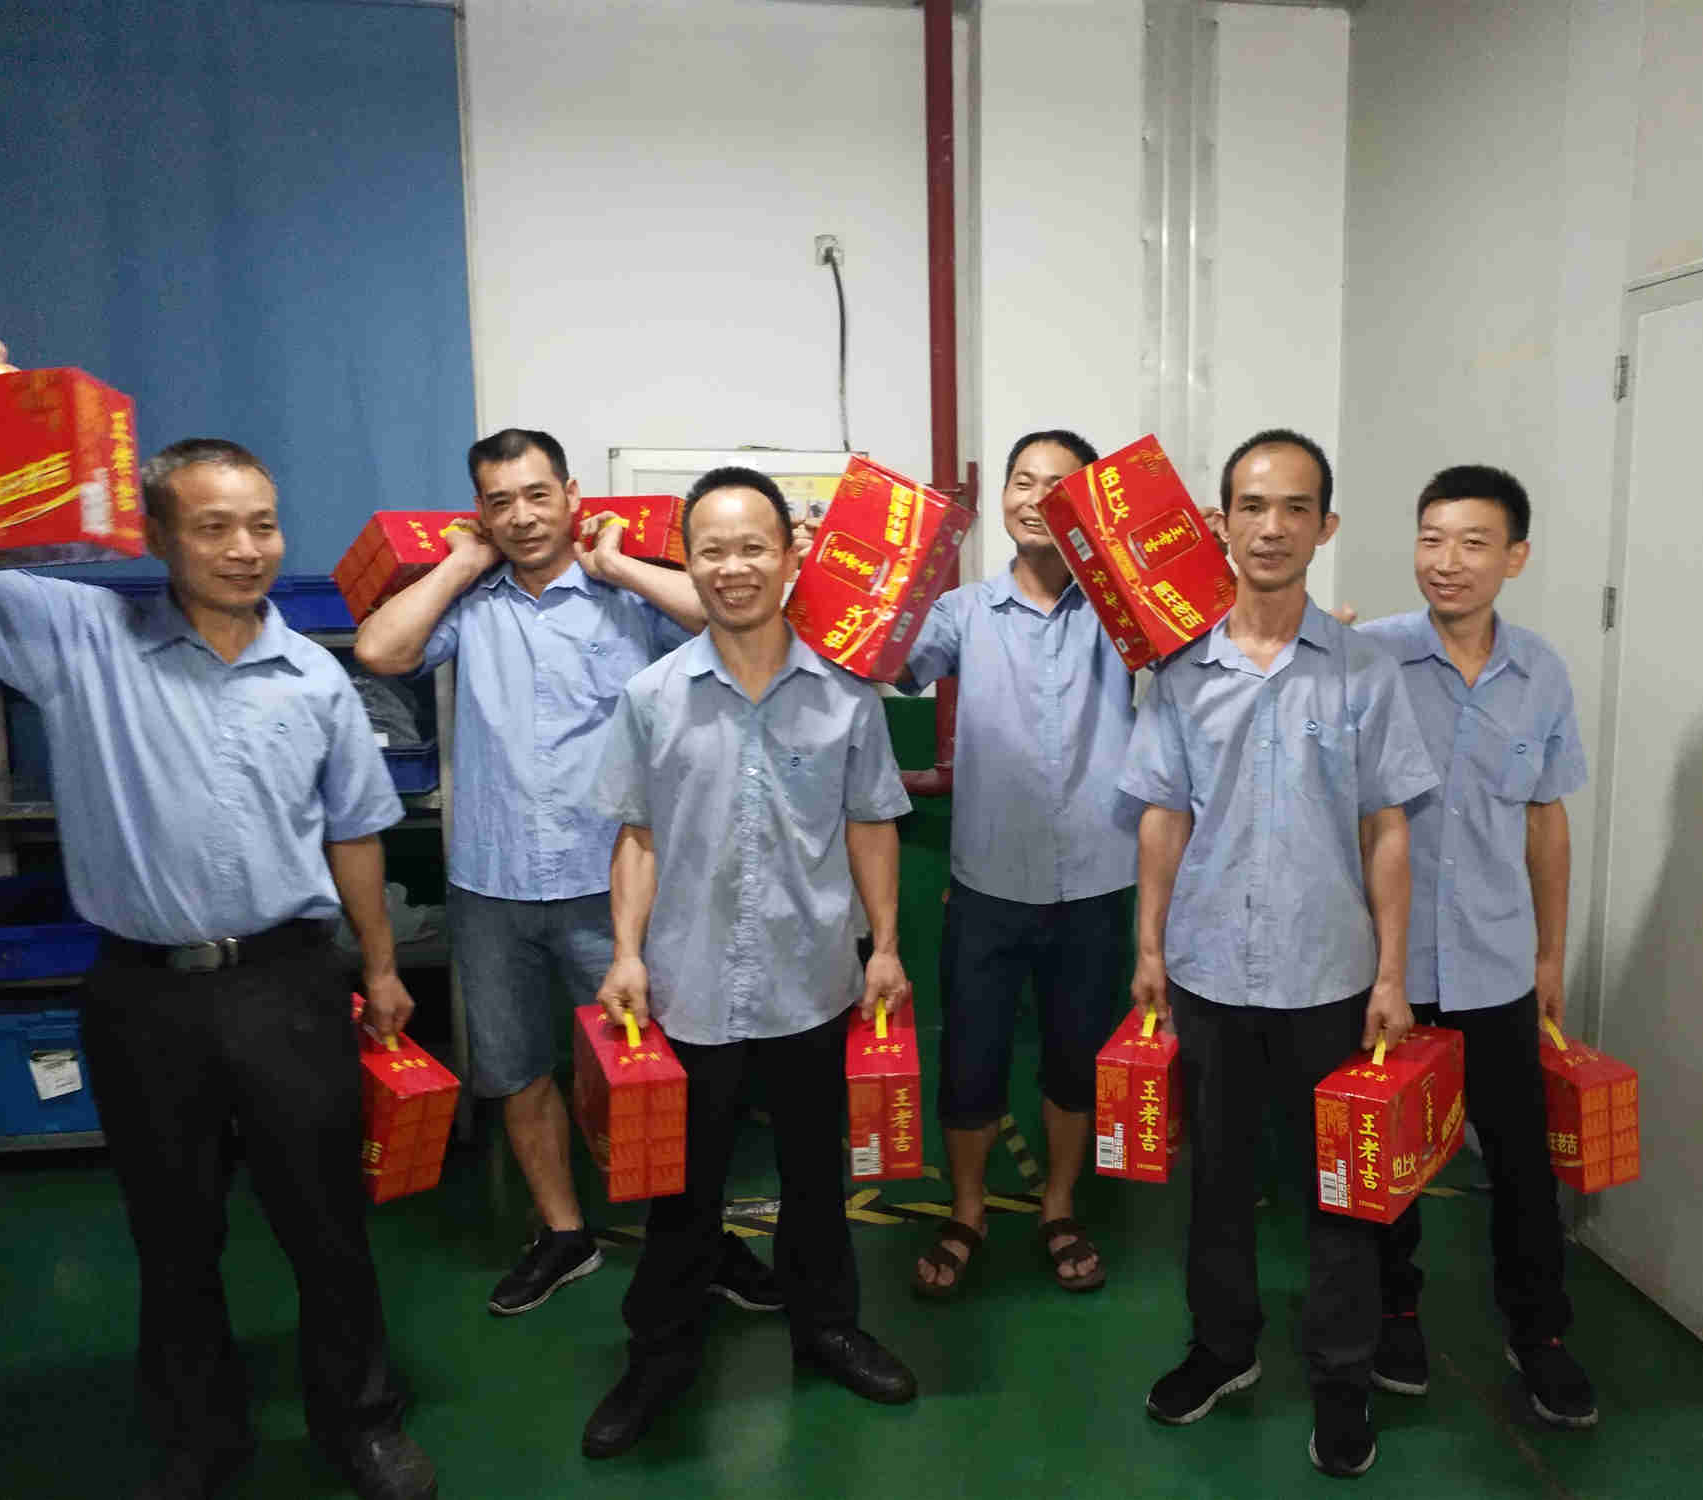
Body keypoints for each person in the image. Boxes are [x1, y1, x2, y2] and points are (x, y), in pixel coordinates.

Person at [0, 425, 437, 1500]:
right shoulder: (80, 639)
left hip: (290, 984)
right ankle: (200, 1437)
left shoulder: (316, 677)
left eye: (263, 525)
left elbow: (355, 833)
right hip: (141, 993)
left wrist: (381, 968)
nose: (245, 548)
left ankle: (360, 1421)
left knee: (326, 1223)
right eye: (213, 527)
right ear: (158, 536)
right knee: (172, 1231)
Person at [353, 429, 779, 1319]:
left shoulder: (624, 595)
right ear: (481, 513)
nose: (521, 516)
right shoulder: (473, 605)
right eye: (500, 501)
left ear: (572, 495)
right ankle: (562, 1233)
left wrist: (618, 567)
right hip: (492, 884)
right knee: (516, 1071)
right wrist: (457, 566)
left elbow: (730, 616)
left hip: (615, 886)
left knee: (656, 1074)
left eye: (537, 494)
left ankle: (696, 1240)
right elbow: (381, 652)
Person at [581, 466, 920, 1459]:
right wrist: (626, 953)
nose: (733, 567)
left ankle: (828, 1329)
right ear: (688, 562)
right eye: (712, 550)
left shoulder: (845, 696)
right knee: (682, 1192)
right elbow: (637, 838)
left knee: (817, 1178)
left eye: (752, 547)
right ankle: (660, 1356)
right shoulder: (652, 697)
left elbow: (871, 826)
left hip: (812, 983)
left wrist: (886, 946)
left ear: (791, 554)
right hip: (688, 989)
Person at [1119, 428, 1438, 1478]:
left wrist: (1391, 974)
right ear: (1219, 523)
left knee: (1339, 1192)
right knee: (1215, 1180)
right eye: (1252, 506)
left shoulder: (1363, 673)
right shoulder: (1179, 672)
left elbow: (1385, 827)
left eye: (1295, 507)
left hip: (1327, 977)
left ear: (1325, 527)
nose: (1271, 527)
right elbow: (1162, 817)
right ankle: (1222, 1348)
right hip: (1208, 971)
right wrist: (1149, 949)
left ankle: (1342, 1383)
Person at [1355, 464, 1597, 1428]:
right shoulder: (1368, 658)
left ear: (1515, 557)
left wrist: (1550, 956)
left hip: (1495, 962)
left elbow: (1546, 821)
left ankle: (1539, 1334)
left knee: (1522, 1163)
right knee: (1386, 1157)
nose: (1445, 561)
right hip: (1388, 967)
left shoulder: (1542, 675)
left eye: (1471, 543)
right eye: (1430, 539)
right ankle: (1394, 1313)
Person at [898, 428, 1135, 1298]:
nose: (1036, 499)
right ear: (1002, 497)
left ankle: (1058, 1205)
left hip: (1097, 886)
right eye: (1023, 482)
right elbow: (888, 661)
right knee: (971, 1062)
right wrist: (859, 572)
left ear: (1089, 507)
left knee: (1075, 1062)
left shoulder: (1126, 613)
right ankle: (967, 1211)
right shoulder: (964, 612)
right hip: (987, 888)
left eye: (1059, 486)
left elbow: (1203, 635)